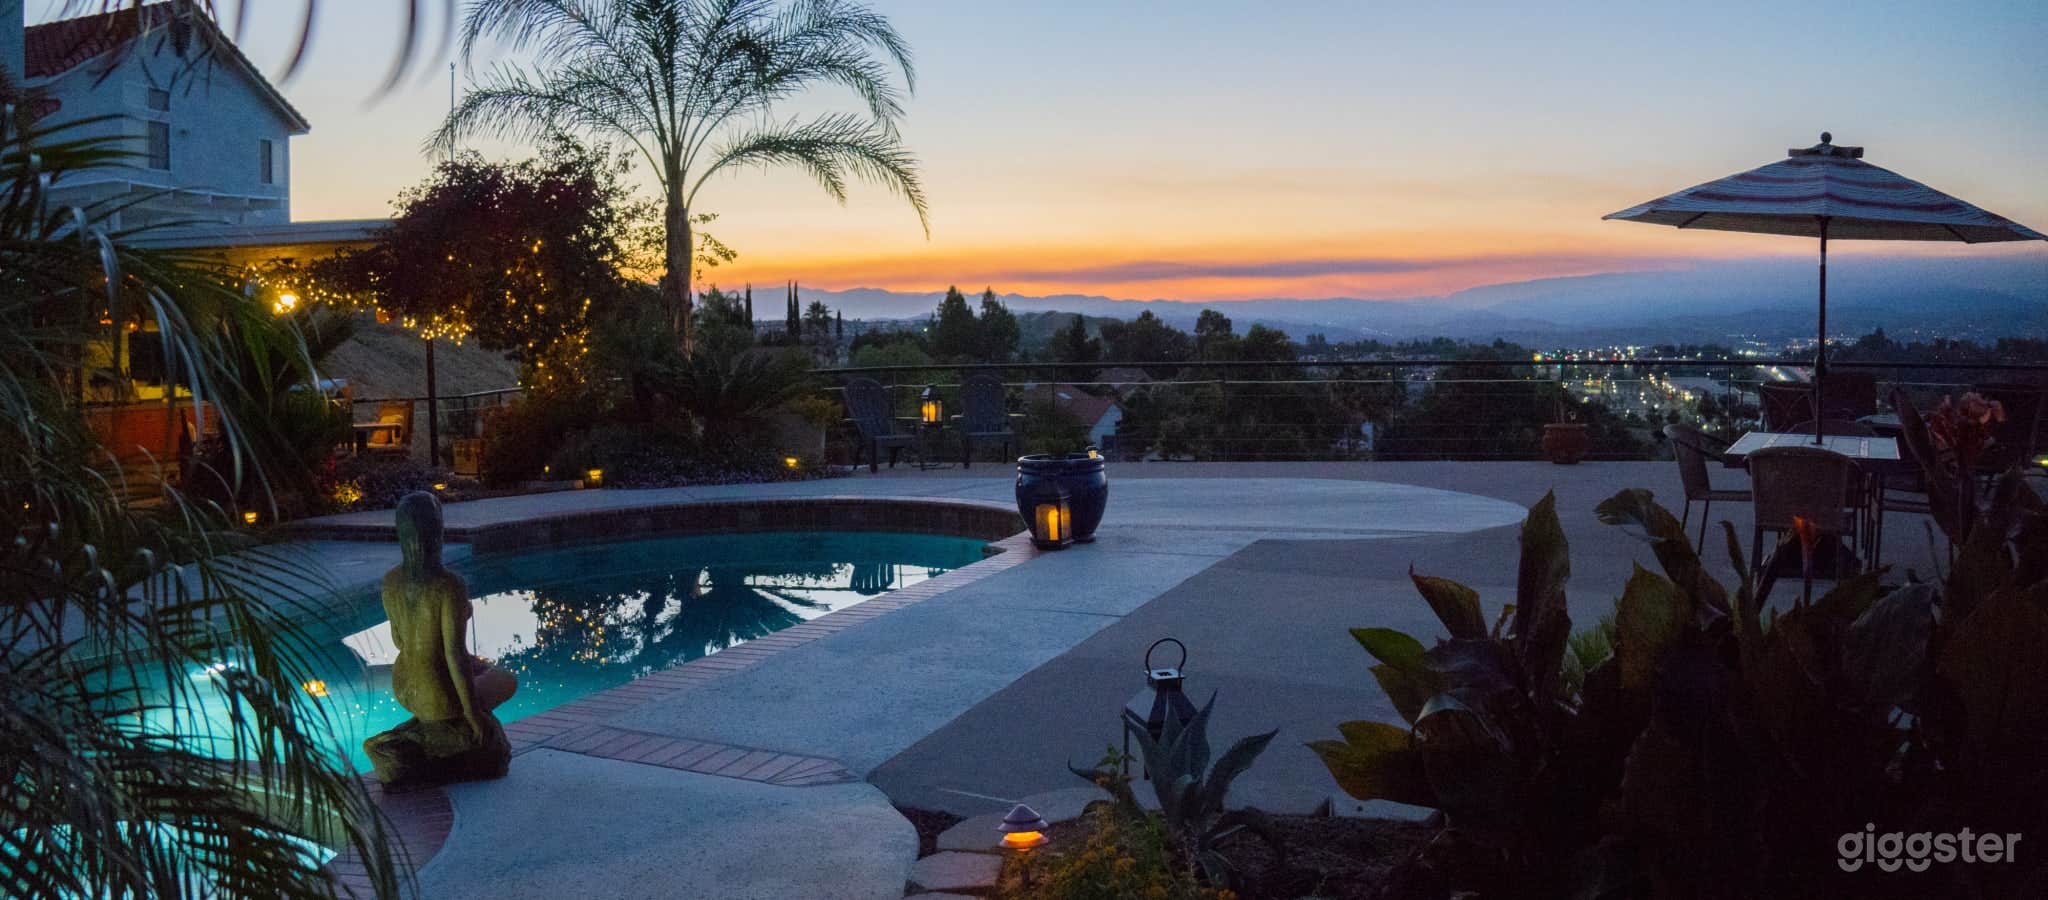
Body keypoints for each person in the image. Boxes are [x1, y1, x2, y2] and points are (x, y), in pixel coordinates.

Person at [364, 492, 517, 787]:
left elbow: (399, 640)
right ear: (437, 530)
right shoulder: (448, 586)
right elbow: (453, 655)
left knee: (477, 672)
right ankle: (447, 729)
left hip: (405, 686)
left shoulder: (391, 581)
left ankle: (419, 727)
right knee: (506, 680)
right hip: (439, 696)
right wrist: (473, 716)